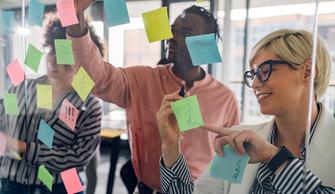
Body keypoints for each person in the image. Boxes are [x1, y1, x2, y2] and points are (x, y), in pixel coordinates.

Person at [67, 1, 240, 193]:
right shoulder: (141, 81)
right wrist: (74, 17)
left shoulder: (225, 99)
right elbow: (95, 77)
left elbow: (231, 163)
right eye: (173, 30)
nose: (172, 37)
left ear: (207, 44)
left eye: (186, 34)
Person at [157, 29, 335, 194]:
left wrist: (275, 159)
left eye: (264, 71)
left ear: (308, 71)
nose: (254, 84)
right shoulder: (239, 141)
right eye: (252, 75)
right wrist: (171, 147)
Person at [0, 14, 103, 194]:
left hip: (60, 187)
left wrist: (23, 148)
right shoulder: (22, 89)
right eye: (50, 50)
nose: (54, 60)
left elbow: (78, 157)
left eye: (64, 53)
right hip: (13, 183)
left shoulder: (89, 104)